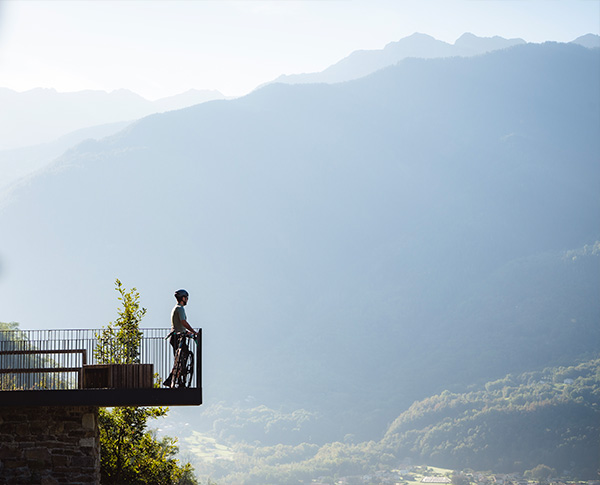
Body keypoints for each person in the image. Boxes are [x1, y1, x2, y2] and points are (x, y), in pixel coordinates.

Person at [163, 289, 198, 387]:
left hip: (174, 336)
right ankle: (177, 379)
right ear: (183, 298)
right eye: (186, 298)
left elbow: (178, 325)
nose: (187, 300)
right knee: (183, 358)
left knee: (177, 360)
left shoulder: (176, 308)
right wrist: (193, 331)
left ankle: (172, 379)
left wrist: (187, 332)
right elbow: (183, 322)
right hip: (178, 338)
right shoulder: (180, 308)